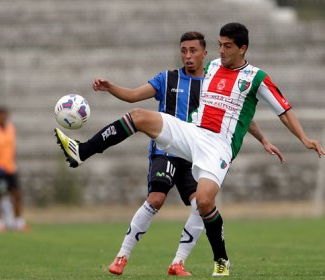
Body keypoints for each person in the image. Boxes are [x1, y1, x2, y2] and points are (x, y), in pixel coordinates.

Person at [54, 22, 324, 276]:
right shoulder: (213, 67)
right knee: (138, 116)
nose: (222, 51)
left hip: (219, 147)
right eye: (220, 44)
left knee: (204, 202)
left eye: (228, 46)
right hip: (194, 132)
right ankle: (82, 151)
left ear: (243, 48)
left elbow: (283, 111)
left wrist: (302, 139)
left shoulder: (256, 78)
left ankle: (221, 260)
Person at [90, 32, 284, 276]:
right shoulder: (167, 79)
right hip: (167, 149)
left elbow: (239, 118)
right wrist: (111, 88)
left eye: (193, 51)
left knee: (200, 205)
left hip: (197, 155)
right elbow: (132, 96)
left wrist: (264, 139)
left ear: (205, 54)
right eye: (184, 51)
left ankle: (178, 262)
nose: (188, 56)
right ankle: (121, 257)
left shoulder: (214, 79)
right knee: (156, 199)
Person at [0, 107, 29, 232]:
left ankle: (19, 222)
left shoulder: (10, 128)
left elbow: (11, 147)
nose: (3, 117)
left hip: (10, 167)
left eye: (5, 115)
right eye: (1, 115)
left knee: (17, 195)